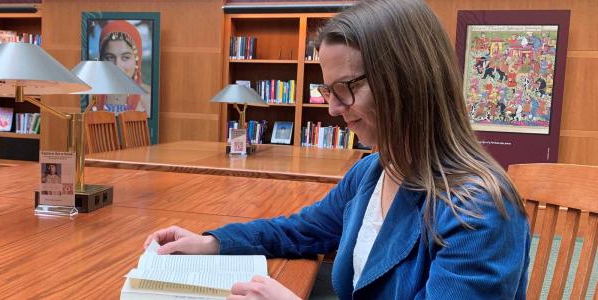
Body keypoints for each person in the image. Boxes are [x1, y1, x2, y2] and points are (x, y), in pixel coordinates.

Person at [144, 0, 530, 299]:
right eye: (327, 90)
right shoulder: (375, 170)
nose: (332, 109)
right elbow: (301, 230)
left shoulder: (479, 212)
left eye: (345, 88)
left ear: (406, 80)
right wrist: (211, 242)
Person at [98, 20, 151, 114]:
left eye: (125, 57)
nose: (117, 66)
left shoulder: (149, 97)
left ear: (137, 60)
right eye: (110, 57)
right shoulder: (90, 96)